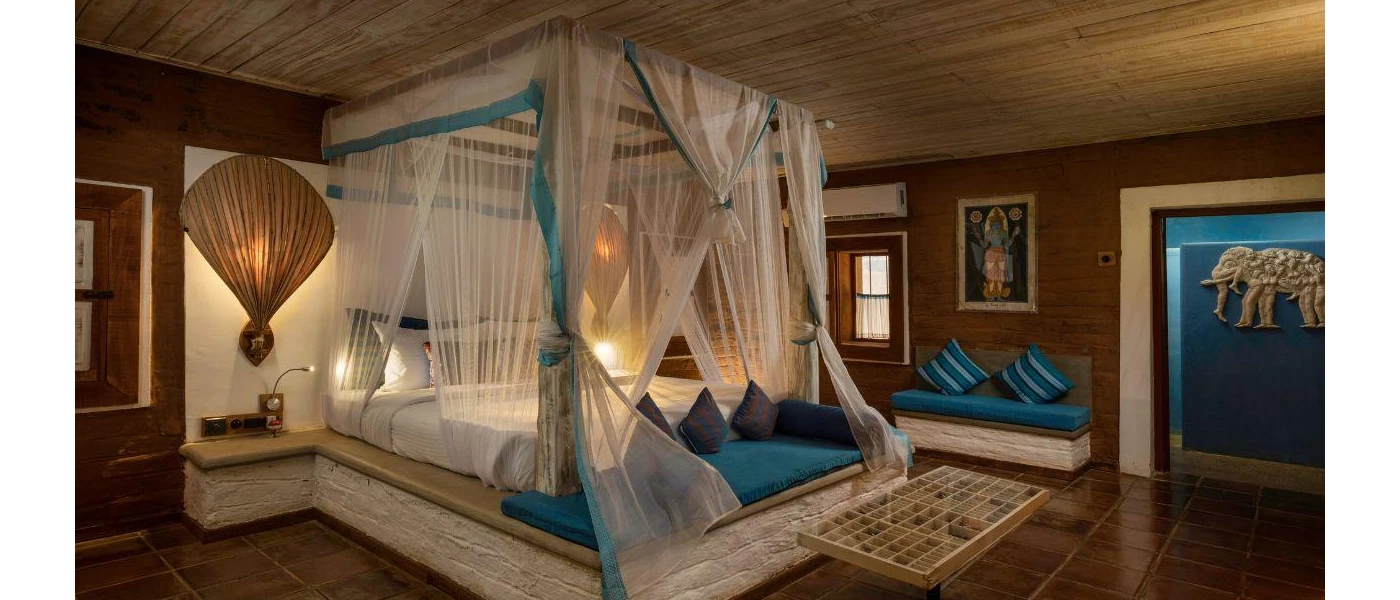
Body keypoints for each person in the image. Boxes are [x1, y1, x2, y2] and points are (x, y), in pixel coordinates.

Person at [969, 207, 1021, 301]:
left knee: (1000, 276)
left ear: (1001, 224)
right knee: (991, 276)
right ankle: (991, 295)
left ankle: (999, 295)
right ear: (991, 224)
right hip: (990, 255)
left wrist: (1013, 235)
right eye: (994, 224)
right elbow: (984, 245)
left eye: (998, 224)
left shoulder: (1003, 233)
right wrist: (978, 237)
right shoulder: (989, 233)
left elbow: (1007, 244)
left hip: (1001, 254)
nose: (996, 226)